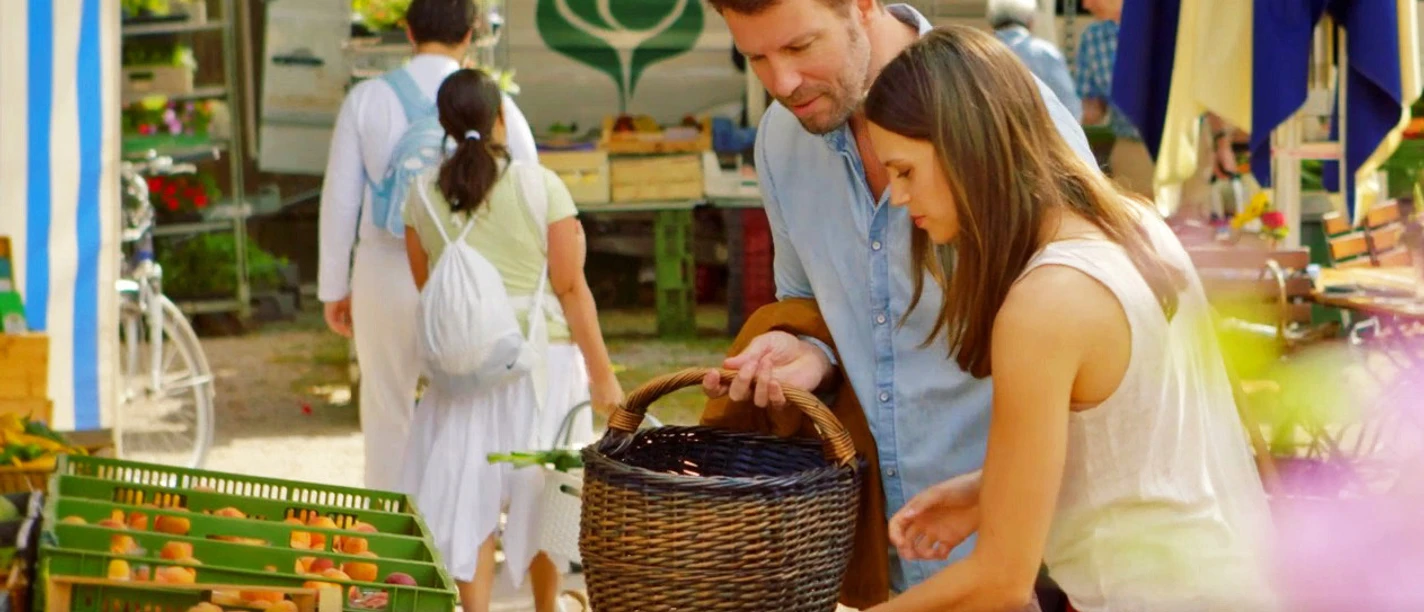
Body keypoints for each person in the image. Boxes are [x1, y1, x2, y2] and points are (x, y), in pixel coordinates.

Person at [859, 26, 1277, 611]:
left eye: (905, 171)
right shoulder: (1134, 222)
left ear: (965, 147)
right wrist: (992, 494)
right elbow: (1141, 442)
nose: (899, 199)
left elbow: (1000, 581)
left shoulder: (1046, 303)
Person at [698, 0, 1096, 597]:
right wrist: (806, 347)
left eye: (801, 47)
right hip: (892, 556)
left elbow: (1096, 305)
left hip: (1041, 557)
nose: (781, 83)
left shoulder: (1004, 109)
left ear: (864, 5)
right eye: (755, 57)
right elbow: (803, 297)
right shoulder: (782, 141)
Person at [399, 68, 624, 612]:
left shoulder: (421, 197)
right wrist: (603, 376)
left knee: (465, 492)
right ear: (502, 117)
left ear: (444, 126)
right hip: (540, 361)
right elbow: (572, 289)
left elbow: (429, 287)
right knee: (544, 489)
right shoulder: (540, 186)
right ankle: (546, 607)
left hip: (462, 370)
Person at [316, 0, 538, 492]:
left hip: (385, 267)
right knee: (474, 401)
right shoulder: (494, 101)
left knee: (387, 405)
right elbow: (529, 184)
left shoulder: (368, 99)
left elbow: (340, 198)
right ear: (472, 34)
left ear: (409, 32)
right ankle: (474, 528)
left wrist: (335, 288)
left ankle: (392, 530)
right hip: (479, 275)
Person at [1075, 0, 1154, 199]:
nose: (1085, 5)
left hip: (1185, 146)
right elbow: (1092, 109)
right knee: (1136, 226)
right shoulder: (1093, 38)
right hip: (1132, 149)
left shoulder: (1164, 21)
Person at [986, 0, 1081, 121]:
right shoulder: (1045, 53)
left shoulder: (976, 53)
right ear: (1031, 21)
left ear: (991, 21)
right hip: (1039, 135)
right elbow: (1070, 107)